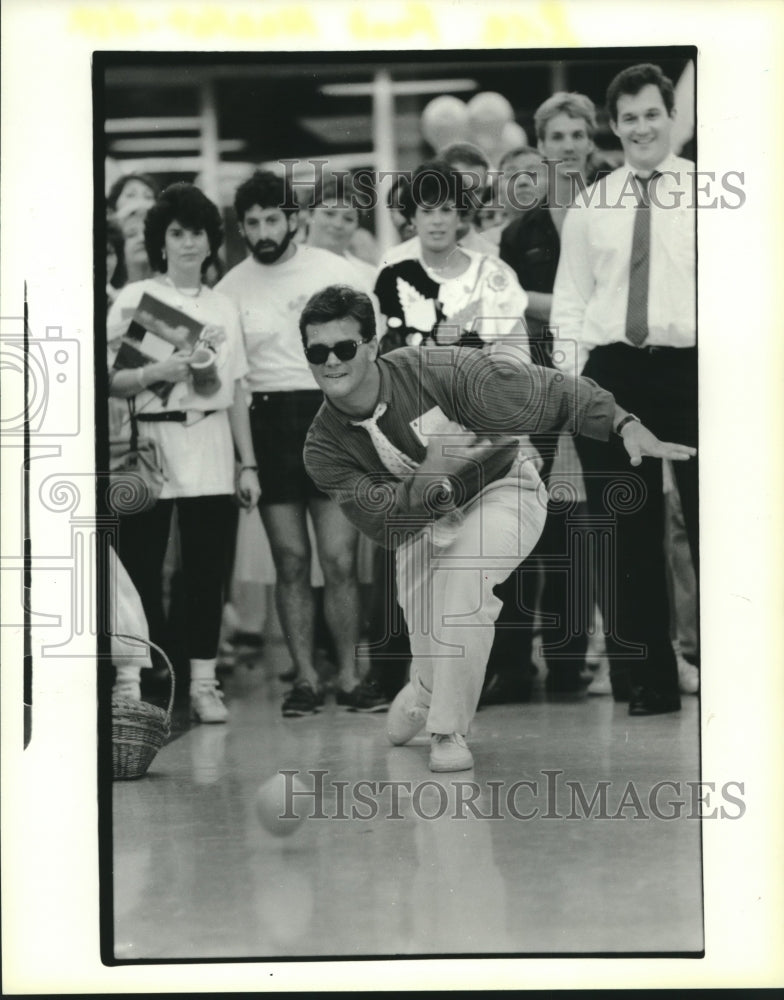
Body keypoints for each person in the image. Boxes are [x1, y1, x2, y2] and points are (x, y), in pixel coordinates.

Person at [300, 285, 696, 771]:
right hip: (419, 525)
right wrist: (431, 472)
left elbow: (542, 389)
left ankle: (447, 730)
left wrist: (622, 421)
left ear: (373, 345)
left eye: (344, 348)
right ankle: (424, 685)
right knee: (430, 639)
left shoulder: (436, 371)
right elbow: (386, 527)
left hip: (504, 489)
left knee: (467, 577)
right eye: (318, 352)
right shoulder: (321, 447)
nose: (332, 362)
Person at [552, 63, 697, 715]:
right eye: (629, 118)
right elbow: (569, 305)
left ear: (672, 119)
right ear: (615, 127)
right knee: (625, 531)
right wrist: (578, 388)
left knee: (712, 524)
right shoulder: (593, 204)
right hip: (613, 373)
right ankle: (648, 685)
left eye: (652, 115)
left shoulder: (708, 193)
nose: (641, 128)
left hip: (695, 370)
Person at [215, 170, 372, 717]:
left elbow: (367, 350)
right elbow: (234, 382)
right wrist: (247, 462)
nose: (262, 230)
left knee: (339, 558)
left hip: (329, 416)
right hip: (268, 422)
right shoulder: (229, 289)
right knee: (290, 561)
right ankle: (304, 678)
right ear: (242, 226)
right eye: (252, 222)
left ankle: (352, 677)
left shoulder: (335, 272)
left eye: (272, 219)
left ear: (293, 219)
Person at [107, 182, 259, 723]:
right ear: (161, 241)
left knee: (204, 570)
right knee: (141, 565)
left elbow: (237, 388)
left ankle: (202, 681)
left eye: (197, 233)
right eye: (177, 233)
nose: (188, 243)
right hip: (149, 444)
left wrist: (249, 464)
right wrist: (158, 370)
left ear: (211, 240)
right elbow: (111, 379)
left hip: (212, 439)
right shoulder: (134, 299)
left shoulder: (223, 304)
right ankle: (139, 675)